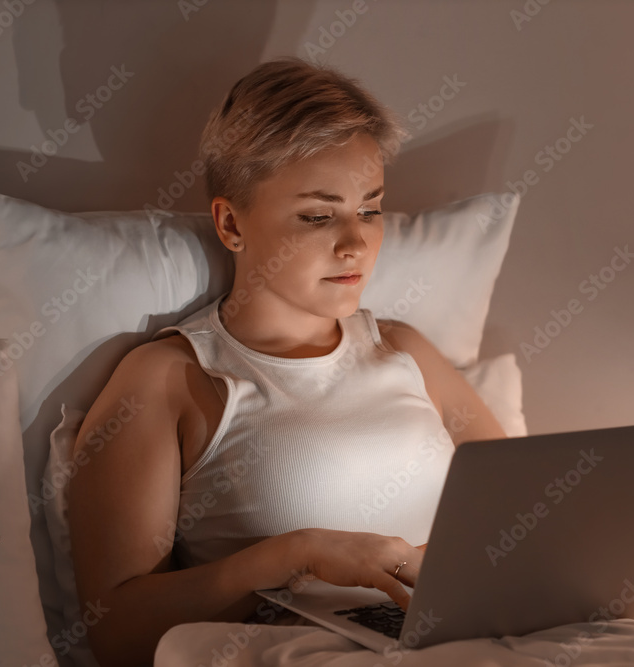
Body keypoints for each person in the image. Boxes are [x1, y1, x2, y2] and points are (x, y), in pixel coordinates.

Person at [67, 56, 507, 667]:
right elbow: (115, 635)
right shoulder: (171, 378)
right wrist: (293, 557)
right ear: (231, 224)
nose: (355, 242)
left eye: (371, 209)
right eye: (318, 216)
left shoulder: (404, 350)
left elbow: (519, 509)